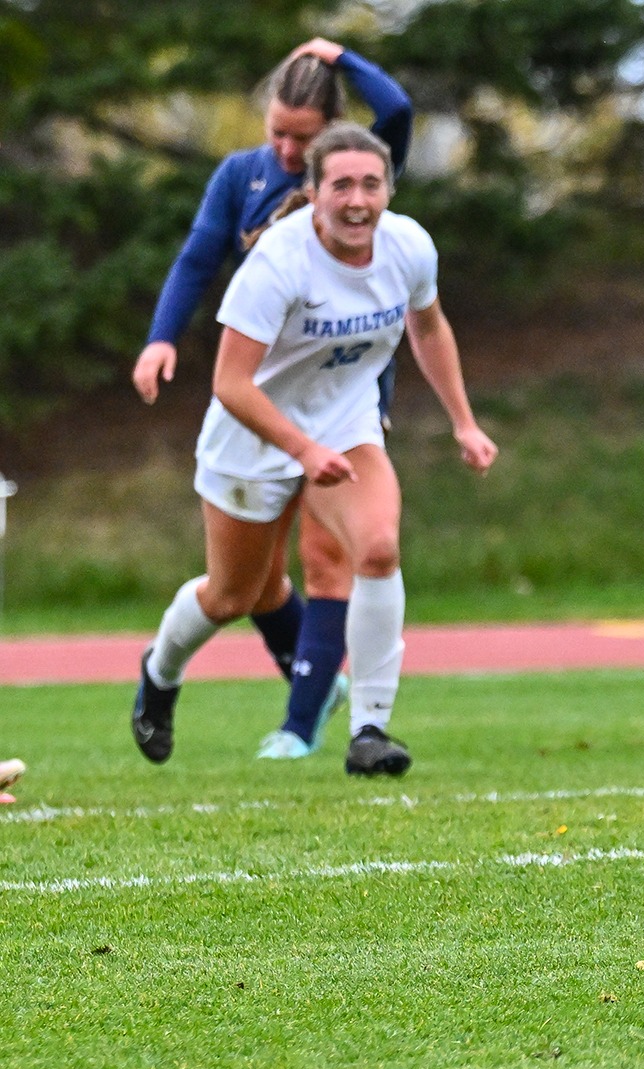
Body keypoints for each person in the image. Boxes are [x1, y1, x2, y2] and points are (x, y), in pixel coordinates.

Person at [131, 125, 499, 777]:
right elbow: (230, 384)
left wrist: (464, 422)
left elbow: (429, 326)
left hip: (347, 427)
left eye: (372, 183)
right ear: (315, 192)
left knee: (378, 548)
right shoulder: (278, 261)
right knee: (233, 595)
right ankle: (159, 673)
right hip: (252, 436)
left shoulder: (409, 246)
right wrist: (301, 449)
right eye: (342, 185)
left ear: (389, 188)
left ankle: (369, 729)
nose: (358, 200)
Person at [132, 38, 414, 761]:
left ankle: (316, 725)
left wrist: (344, 55)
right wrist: (162, 338)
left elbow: (400, 111)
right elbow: (198, 257)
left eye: (305, 137)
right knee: (244, 590)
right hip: (260, 403)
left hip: (348, 399)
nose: (289, 151)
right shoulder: (240, 179)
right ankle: (164, 673)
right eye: (277, 134)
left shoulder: (355, 180)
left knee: (343, 552)